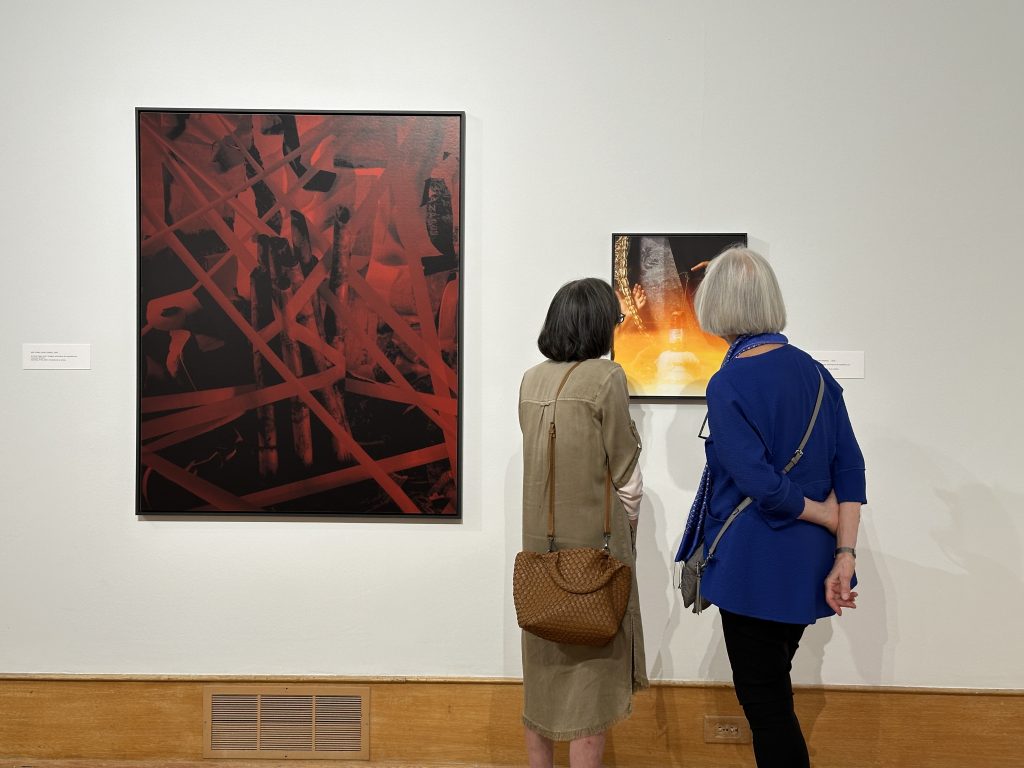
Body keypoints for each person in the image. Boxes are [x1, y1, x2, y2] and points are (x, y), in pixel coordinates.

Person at [676, 247, 866, 768]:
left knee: (767, 709)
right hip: (808, 565)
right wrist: (844, 553)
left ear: (716, 305)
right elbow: (851, 469)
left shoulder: (729, 381)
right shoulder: (817, 374)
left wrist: (824, 515)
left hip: (754, 567)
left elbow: (759, 482)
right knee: (774, 694)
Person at [519, 277, 647, 768]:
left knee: (543, 683)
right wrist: (628, 530)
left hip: (539, 556)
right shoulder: (606, 378)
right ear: (600, 324)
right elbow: (625, 474)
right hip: (594, 554)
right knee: (589, 691)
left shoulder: (531, 380)